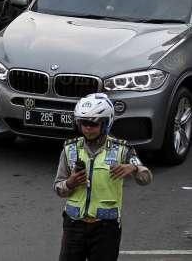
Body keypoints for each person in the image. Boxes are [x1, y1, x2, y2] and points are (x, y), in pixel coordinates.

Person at [54, 93, 152, 261]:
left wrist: (134, 168)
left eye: (93, 124)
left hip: (105, 229)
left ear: (106, 123)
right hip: (73, 226)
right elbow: (58, 188)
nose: (87, 129)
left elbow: (146, 177)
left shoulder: (122, 150)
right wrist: (69, 184)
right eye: (84, 123)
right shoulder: (70, 150)